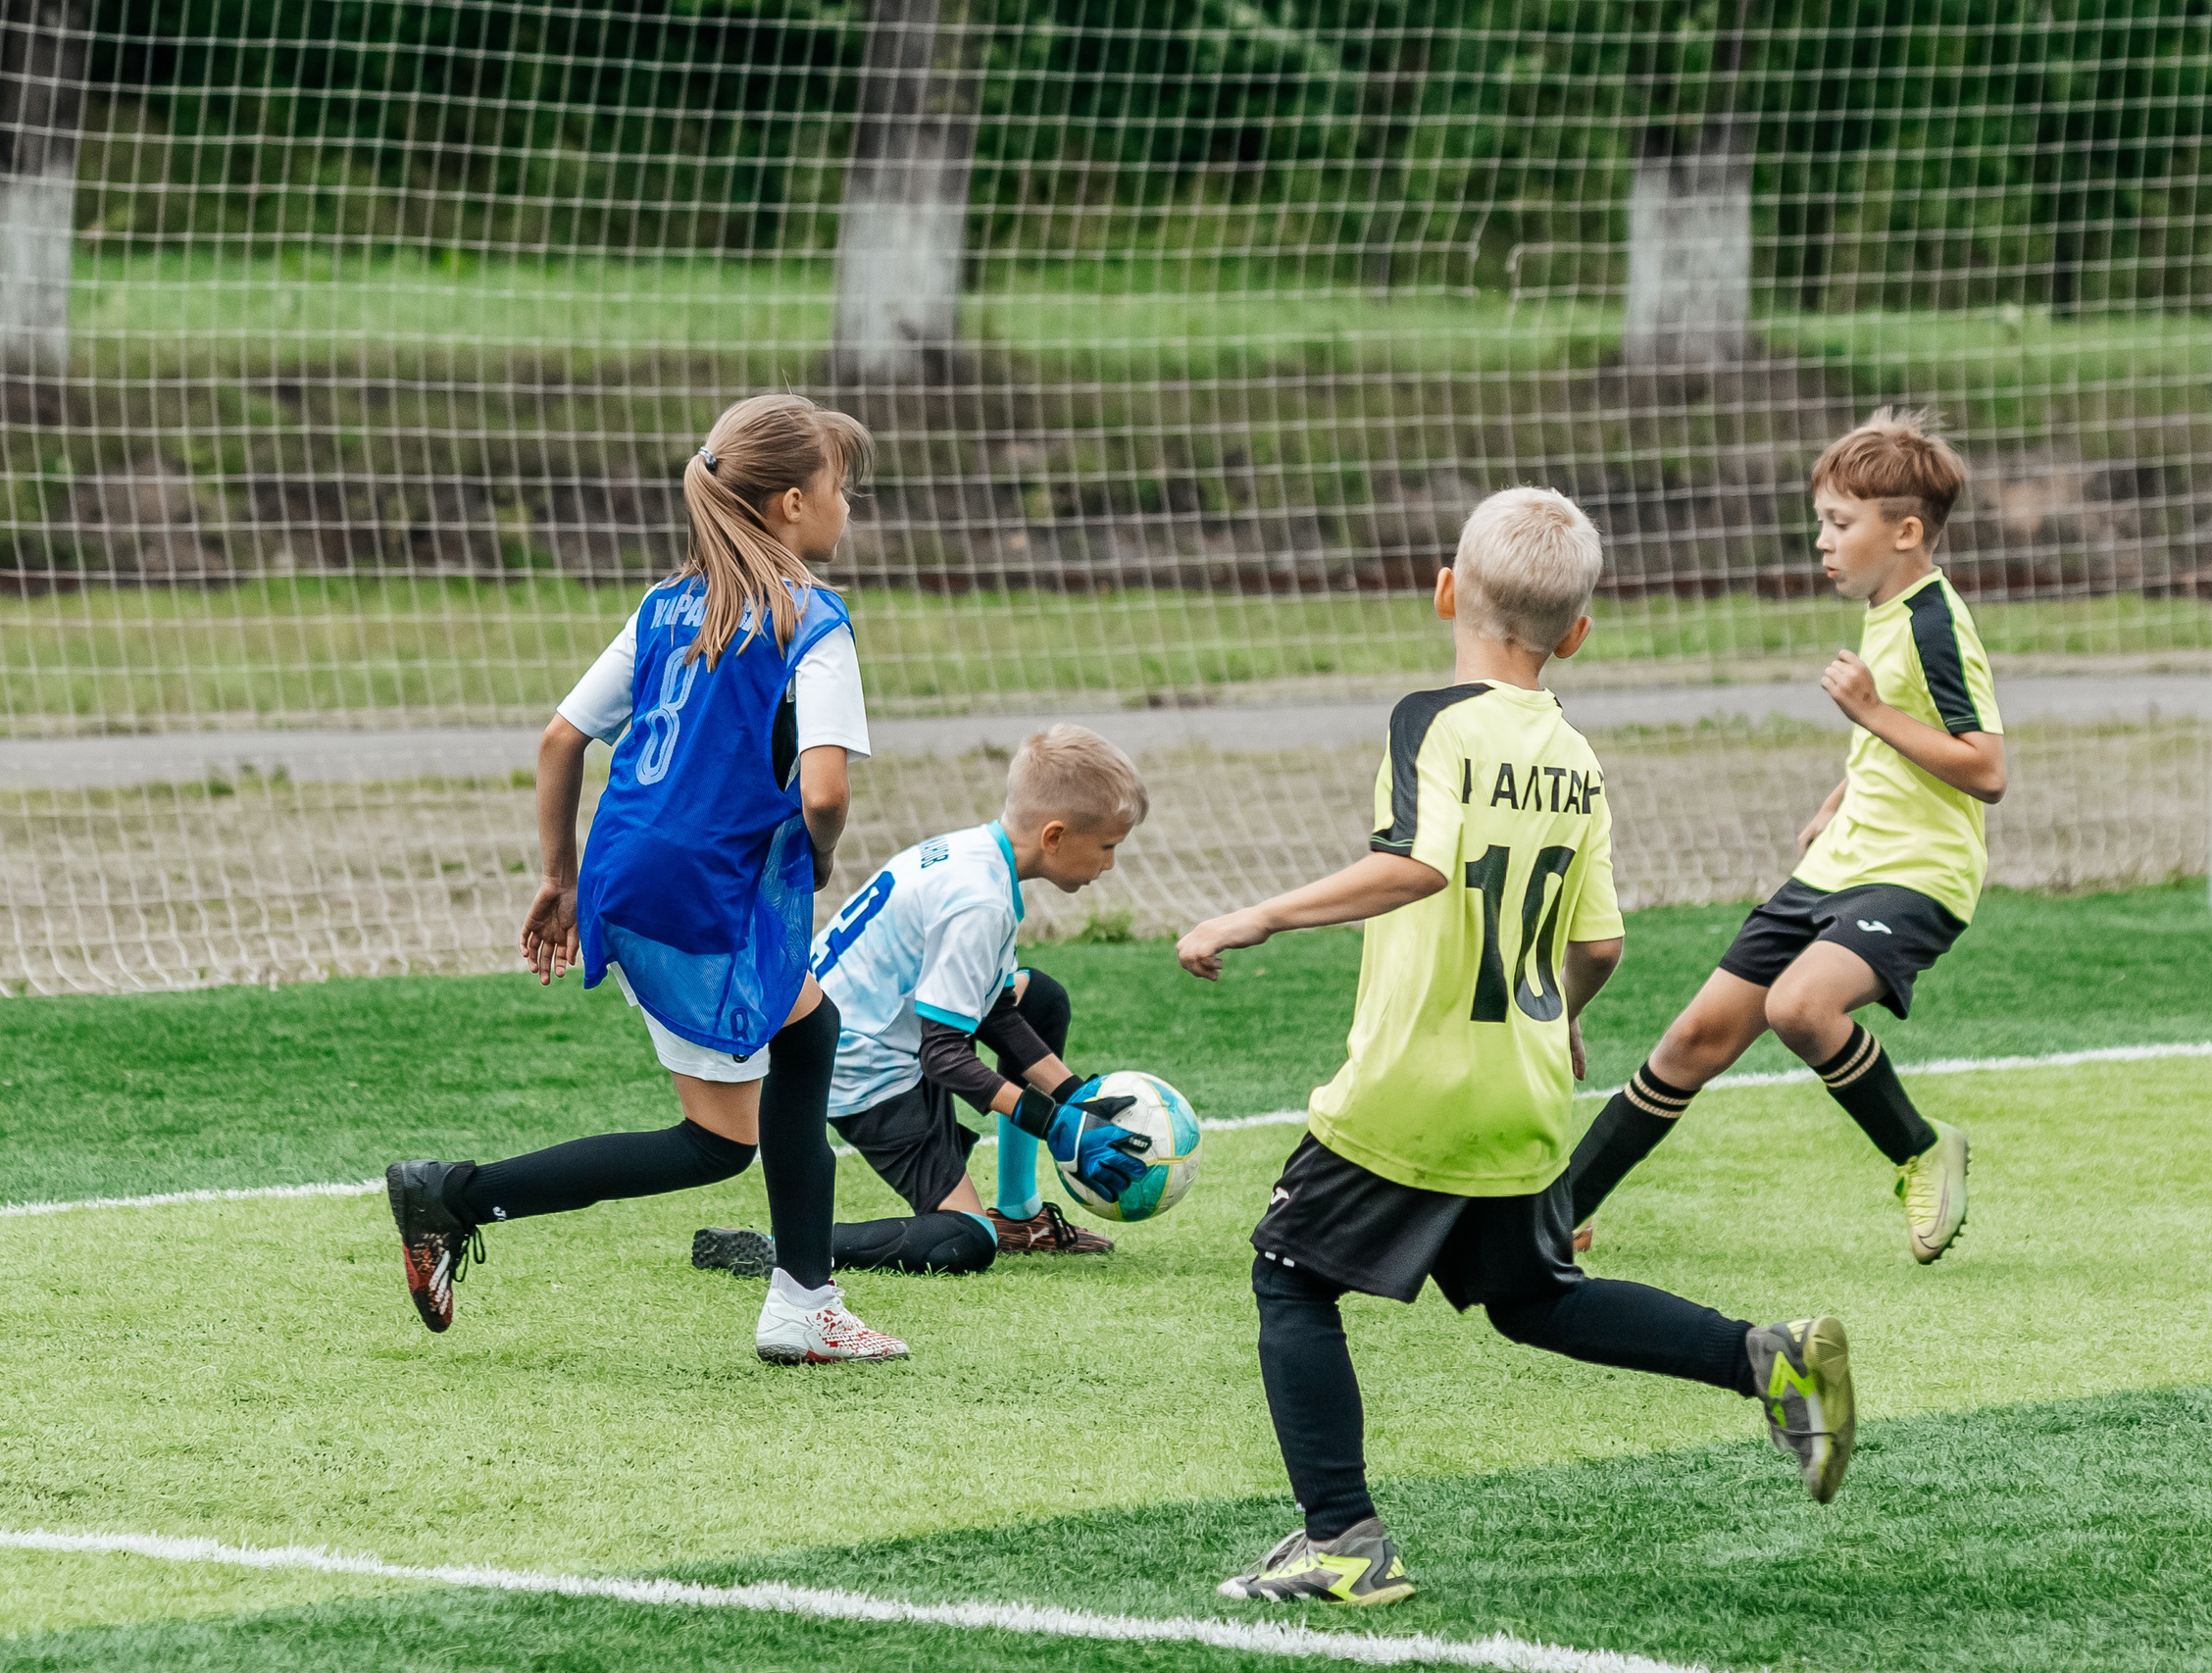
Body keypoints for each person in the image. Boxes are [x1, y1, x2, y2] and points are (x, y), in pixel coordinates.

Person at [1177, 487, 1856, 1606]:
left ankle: (1341, 1535)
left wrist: (1255, 914)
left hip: (1411, 1086)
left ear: (1446, 591)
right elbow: (1598, 939)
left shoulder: (1433, 718)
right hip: (1523, 1084)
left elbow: (1418, 862)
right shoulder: (1575, 754)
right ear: (1575, 632)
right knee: (1532, 1295)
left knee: (1289, 1274)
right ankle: (1766, 1356)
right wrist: (1566, 1013)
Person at [381, 392, 908, 1367]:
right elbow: (826, 792)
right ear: (792, 503)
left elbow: (560, 738)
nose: (850, 508)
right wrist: (822, 856)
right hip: (699, 892)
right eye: (843, 488)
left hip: (631, 872)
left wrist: (559, 873)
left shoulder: (666, 607)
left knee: (810, 1025)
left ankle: (804, 1299)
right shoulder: (813, 621)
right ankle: (450, 1195)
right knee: (716, 1141)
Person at [1564, 407, 2003, 1266]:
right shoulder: (1888, 612)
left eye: (1841, 524)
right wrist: (1846, 790)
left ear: (1906, 531)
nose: (1823, 543)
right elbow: (1911, 729)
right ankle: (1554, 1218)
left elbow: (1985, 766)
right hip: (1840, 866)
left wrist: (1870, 714)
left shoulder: (1932, 622)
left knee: (1800, 1006)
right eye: (1821, 524)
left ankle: (1920, 1149)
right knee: (1692, 1041)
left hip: (1916, 875)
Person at [690, 726, 1159, 1279]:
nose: (1109, 864)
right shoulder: (979, 903)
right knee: (964, 1239)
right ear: (1054, 836)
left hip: (851, 1027)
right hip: (855, 1066)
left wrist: (1073, 1098)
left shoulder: (974, 853)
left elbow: (993, 1008)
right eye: (1108, 847)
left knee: (1039, 995)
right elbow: (944, 1056)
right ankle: (784, 1244)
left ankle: (1017, 1213)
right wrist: (1055, 1123)